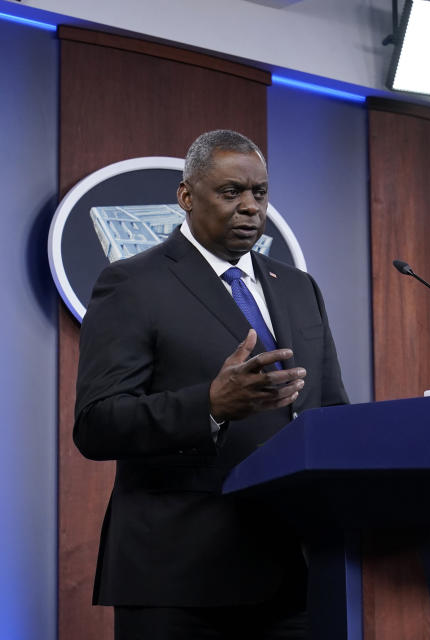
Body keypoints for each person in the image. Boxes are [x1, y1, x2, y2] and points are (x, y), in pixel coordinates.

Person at [74, 129, 349, 639]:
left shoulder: (299, 288)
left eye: (259, 193)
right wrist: (211, 405)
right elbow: (96, 424)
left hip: (294, 574)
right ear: (186, 196)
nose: (250, 207)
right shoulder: (133, 284)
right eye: (230, 193)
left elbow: (329, 411)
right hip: (179, 580)